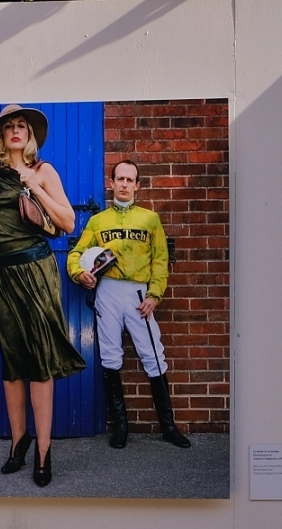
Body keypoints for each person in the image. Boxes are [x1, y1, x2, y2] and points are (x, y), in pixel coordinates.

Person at [0, 103, 86, 488]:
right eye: (10, 127)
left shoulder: (43, 171)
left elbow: (68, 222)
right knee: (12, 364)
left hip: (36, 272)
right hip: (1, 278)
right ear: (1, 137)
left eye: (22, 125)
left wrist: (33, 186)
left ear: (30, 135)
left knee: (38, 363)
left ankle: (43, 451)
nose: (17, 130)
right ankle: (18, 442)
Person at [67, 159, 192, 449]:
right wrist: (79, 273)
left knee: (153, 355)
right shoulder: (98, 221)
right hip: (107, 292)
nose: (124, 184)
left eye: (129, 180)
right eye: (119, 179)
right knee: (110, 356)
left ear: (137, 185)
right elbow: (76, 254)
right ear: (111, 183)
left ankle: (168, 426)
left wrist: (154, 295)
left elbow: (160, 260)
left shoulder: (150, 219)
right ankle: (120, 426)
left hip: (139, 294)